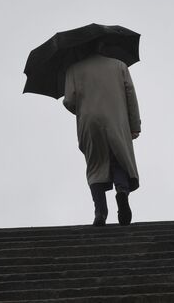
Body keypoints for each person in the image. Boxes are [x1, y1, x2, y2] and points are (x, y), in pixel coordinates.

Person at [62, 43, 141, 226]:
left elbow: (69, 101)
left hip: (89, 122)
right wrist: (134, 125)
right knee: (118, 158)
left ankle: (100, 212)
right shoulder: (119, 65)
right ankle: (122, 192)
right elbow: (131, 96)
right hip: (117, 119)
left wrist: (82, 106)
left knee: (96, 164)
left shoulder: (73, 69)